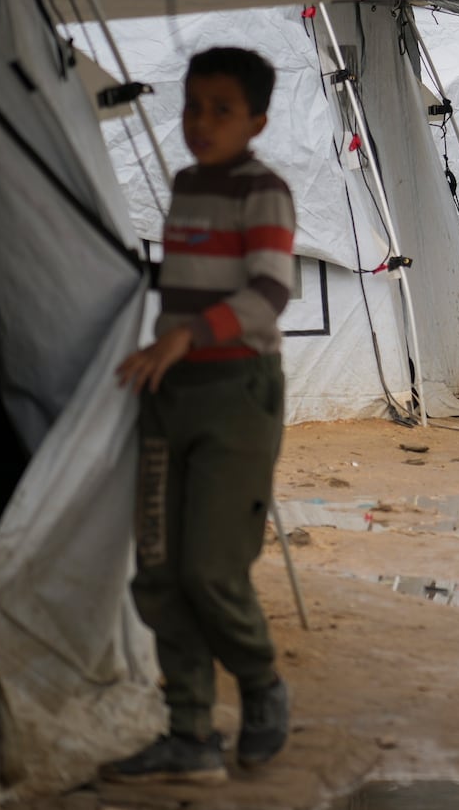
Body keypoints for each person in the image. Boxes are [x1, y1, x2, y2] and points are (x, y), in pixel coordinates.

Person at [101, 47, 297, 785]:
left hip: (237, 394)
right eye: (192, 107)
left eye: (221, 110)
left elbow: (270, 292)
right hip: (170, 393)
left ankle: (261, 684)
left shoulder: (264, 190)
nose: (201, 123)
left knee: (211, 569)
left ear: (258, 120)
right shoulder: (185, 184)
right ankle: (189, 730)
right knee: (156, 571)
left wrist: (185, 333)